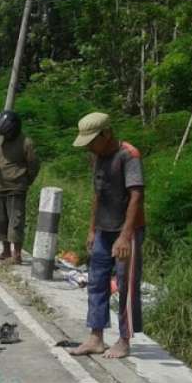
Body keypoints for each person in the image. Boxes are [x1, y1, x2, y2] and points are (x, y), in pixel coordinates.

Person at [70, 112, 145, 359]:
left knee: (126, 285)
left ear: (106, 134)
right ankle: (96, 337)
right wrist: (92, 229)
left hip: (127, 231)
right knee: (96, 281)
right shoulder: (97, 157)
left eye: (92, 141)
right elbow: (97, 194)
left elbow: (136, 196)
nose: (89, 147)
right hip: (103, 229)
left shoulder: (128, 155)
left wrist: (125, 236)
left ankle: (124, 340)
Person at [0, 110, 40, 264]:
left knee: (15, 222)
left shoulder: (26, 142)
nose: (5, 136)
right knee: (0, 221)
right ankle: (6, 251)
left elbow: (34, 165)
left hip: (17, 187)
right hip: (0, 186)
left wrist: (25, 181)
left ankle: (16, 255)